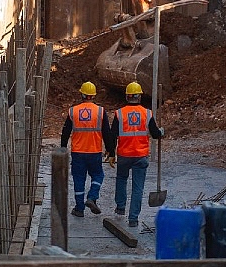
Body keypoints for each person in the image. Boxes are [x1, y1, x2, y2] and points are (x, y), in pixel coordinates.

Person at [107, 81, 164, 228]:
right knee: (138, 188)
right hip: (140, 156)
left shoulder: (120, 114)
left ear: (127, 97)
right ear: (139, 97)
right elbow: (156, 134)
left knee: (121, 180)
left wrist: (111, 153)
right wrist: (161, 132)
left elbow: (113, 136)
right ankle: (133, 219)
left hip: (124, 155)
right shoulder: (147, 113)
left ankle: (120, 209)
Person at [61, 81, 114, 218]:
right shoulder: (100, 111)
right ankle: (92, 196)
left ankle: (79, 209)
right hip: (94, 151)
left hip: (78, 152)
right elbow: (107, 133)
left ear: (82, 94)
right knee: (98, 175)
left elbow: (66, 131)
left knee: (79, 179)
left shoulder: (73, 111)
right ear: (93, 95)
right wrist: (111, 150)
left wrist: (63, 148)